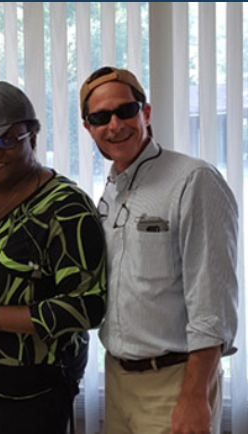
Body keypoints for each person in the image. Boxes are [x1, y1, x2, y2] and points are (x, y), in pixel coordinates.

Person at [0, 81, 107, 434]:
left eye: (7, 139)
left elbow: (88, 305)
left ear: (34, 136)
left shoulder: (65, 206)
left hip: (36, 386)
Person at [80, 66, 238, 434]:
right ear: (88, 127)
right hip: (119, 381)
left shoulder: (194, 180)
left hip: (175, 385)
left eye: (126, 110)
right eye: (101, 117)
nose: (115, 125)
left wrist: (194, 397)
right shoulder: (113, 189)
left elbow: (213, 304)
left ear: (145, 113)